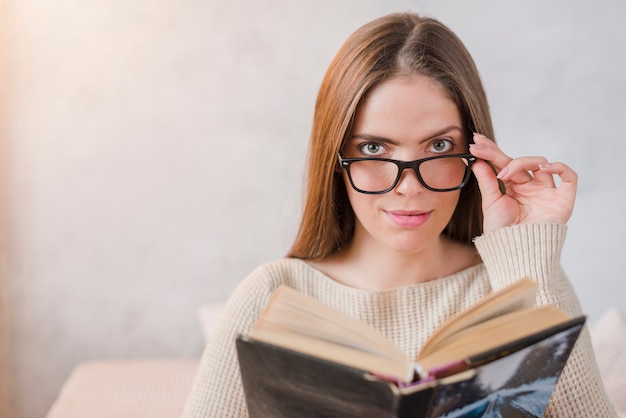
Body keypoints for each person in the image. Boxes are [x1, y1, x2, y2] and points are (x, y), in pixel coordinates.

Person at [182, 12, 617, 417]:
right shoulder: (271, 296)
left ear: (474, 151)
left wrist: (528, 254)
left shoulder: (523, 280)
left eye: (440, 146)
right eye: (374, 148)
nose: (410, 186)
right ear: (335, 159)